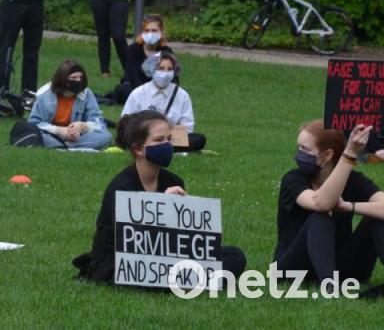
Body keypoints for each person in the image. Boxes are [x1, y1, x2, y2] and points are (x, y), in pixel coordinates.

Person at [73, 110, 247, 283]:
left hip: (164, 258)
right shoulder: (121, 188)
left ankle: (184, 279)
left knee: (234, 256)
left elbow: (179, 242)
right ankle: (189, 280)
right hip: (122, 260)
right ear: (139, 149)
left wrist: (185, 211)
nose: (167, 145)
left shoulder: (173, 181)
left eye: (169, 139)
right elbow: (134, 242)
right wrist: (161, 206)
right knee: (147, 273)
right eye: (159, 140)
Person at [273, 121, 384, 286]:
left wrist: (350, 206)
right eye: (299, 147)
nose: (299, 153)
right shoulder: (293, 179)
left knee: (377, 218)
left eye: (305, 149)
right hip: (293, 269)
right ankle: (330, 287)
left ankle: (335, 281)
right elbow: (321, 204)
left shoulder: (353, 180)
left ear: (327, 155)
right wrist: (350, 153)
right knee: (320, 219)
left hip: (342, 268)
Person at [121, 51, 205, 152]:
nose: (165, 73)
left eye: (169, 69)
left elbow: (187, 128)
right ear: (151, 70)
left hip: (171, 138)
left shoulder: (182, 95)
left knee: (199, 139)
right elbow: (125, 122)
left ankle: (158, 146)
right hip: (144, 136)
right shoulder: (138, 93)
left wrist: (167, 135)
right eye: (160, 69)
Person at [28, 60, 111, 151]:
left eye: (80, 77)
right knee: (37, 136)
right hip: (51, 135)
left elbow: (98, 122)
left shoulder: (86, 93)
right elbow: (34, 123)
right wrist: (59, 130)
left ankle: (63, 147)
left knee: (106, 136)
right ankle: (65, 146)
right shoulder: (45, 95)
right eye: (74, 78)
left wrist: (83, 126)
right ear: (63, 79)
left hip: (77, 137)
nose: (78, 81)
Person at [125, 13, 173, 90]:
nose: (150, 33)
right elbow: (133, 77)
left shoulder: (166, 52)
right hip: (136, 89)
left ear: (161, 31)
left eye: (154, 30)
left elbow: (173, 78)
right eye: (147, 30)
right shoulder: (133, 49)